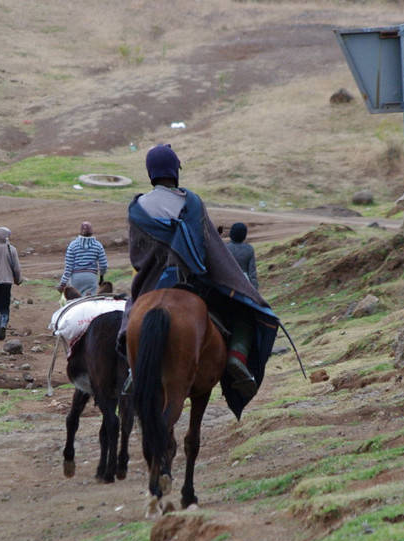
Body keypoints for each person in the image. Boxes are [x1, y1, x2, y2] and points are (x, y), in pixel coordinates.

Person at [126, 144, 279, 410]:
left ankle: (130, 370)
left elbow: (136, 255)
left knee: (129, 317)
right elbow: (212, 250)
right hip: (193, 284)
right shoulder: (192, 202)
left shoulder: (138, 208)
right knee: (242, 310)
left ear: (151, 172)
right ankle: (236, 359)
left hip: (152, 283)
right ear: (174, 170)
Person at [58, 221, 108, 298]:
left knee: (75, 302)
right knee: (90, 301)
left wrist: (63, 283)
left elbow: (68, 267)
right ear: (92, 232)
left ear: (80, 232)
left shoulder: (73, 245)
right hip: (91, 277)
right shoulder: (98, 245)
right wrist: (101, 277)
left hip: (76, 278)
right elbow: (103, 265)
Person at [226, 222, 258, 290]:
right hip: (244, 284)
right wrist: (255, 291)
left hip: (227, 282)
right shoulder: (249, 249)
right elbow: (252, 273)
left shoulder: (225, 248)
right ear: (244, 235)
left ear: (231, 234)